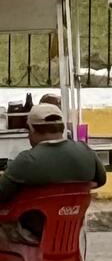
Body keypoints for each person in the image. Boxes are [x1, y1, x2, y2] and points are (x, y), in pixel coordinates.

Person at [0, 100, 105, 246]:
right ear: (62, 128)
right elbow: (101, 180)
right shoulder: (86, 152)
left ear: (31, 129)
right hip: (69, 231)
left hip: (32, 234)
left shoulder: (27, 160)